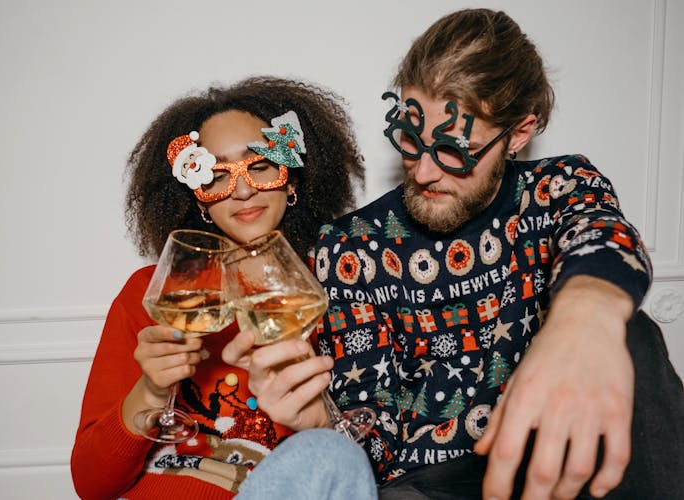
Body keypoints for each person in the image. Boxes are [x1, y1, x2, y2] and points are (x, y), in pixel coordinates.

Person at [222, 8, 684, 500]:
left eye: (453, 150)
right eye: (408, 139)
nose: (422, 172)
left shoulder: (557, 188)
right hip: (425, 488)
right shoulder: (351, 247)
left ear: (519, 135)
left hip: (559, 465)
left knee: (631, 331)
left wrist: (584, 318)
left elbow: (604, 237)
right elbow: (372, 448)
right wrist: (320, 418)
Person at [70, 76, 377, 500]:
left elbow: (355, 470)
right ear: (200, 198)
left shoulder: (338, 284)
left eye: (261, 165)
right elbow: (91, 485)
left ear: (292, 181)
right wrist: (153, 390)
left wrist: (320, 417)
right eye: (215, 175)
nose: (244, 189)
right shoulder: (156, 294)